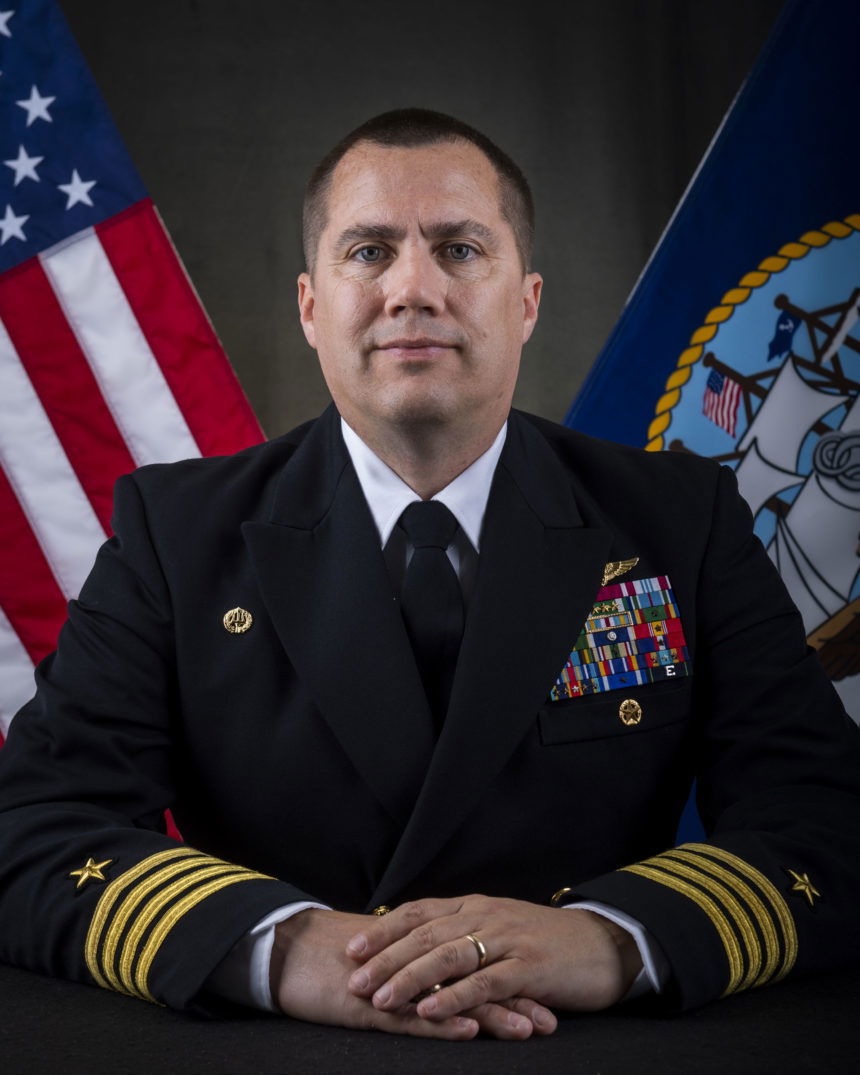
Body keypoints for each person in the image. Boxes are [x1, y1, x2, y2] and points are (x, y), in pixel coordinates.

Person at [0, 109, 858, 1042]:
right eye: (369, 251)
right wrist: (284, 947)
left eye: (459, 249)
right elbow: (34, 828)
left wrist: (610, 938)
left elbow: (826, 822)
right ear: (310, 306)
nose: (413, 288)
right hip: (285, 1052)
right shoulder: (176, 534)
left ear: (526, 301)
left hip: (585, 1047)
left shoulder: (679, 521)